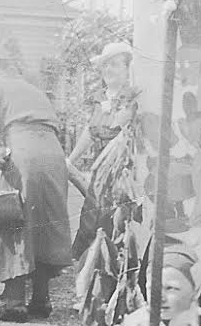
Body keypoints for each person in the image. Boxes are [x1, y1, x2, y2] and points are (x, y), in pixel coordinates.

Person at [0, 58, 71, 323]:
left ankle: (14, 304)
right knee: (46, 221)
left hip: (22, 151)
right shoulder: (36, 92)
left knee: (11, 216)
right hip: (54, 154)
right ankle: (40, 300)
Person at [67, 42, 140, 259]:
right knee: (90, 216)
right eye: (106, 65)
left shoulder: (132, 97)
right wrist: (70, 160)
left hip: (123, 170)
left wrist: (119, 107)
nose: (108, 70)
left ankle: (113, 267)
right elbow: (91, 131)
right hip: (101, 169)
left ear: (128, 70)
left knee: (114, 218)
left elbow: (119, 127)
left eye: (115, 65)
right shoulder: (101, 98)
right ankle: (89, 269)